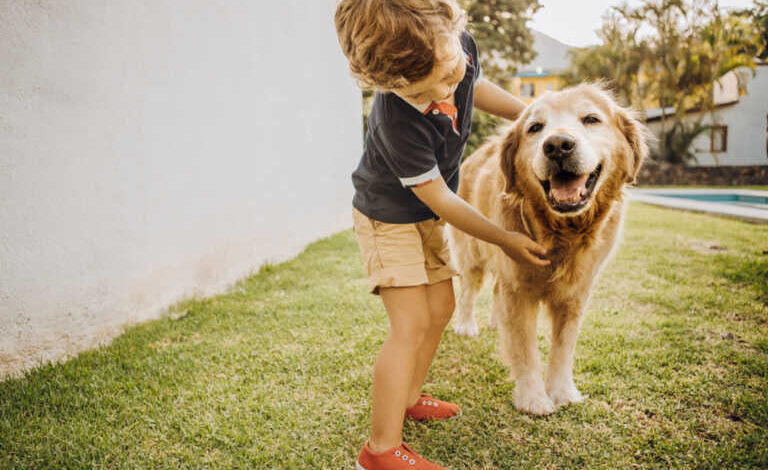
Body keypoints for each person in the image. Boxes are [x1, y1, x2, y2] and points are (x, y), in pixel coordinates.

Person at [334, 1, 550, 468]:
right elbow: (444, 202)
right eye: (433, 88)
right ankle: (380, 450)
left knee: (443, 307)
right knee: (409, 324)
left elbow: (476, 85)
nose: (450, 88)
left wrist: (535, 116)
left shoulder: (455, 49)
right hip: (388, 217)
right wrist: (503, 238)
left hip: (424, 216)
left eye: (452, 70)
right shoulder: (396, 118)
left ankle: (410, 397)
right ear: (393, 85)